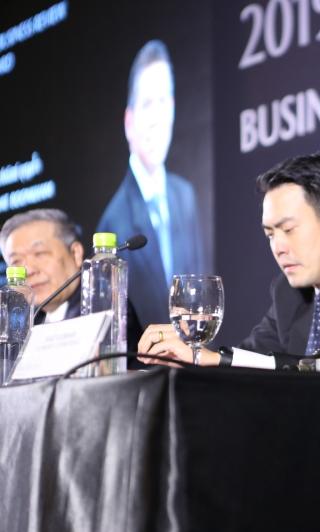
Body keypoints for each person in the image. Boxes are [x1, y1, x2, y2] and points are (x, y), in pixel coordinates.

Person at [139, 154, 320, 370]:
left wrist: (218, 359)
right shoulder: (288, 291)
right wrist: (194, 360)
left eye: (288, 229)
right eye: (270, 234)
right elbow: (251, 360)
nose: (277, 247)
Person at [97, 39, 208, 329]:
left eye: (164, 102)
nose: (158, 119)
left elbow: (201, 296)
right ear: (129, 122)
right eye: (148, 104)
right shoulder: (113, 223)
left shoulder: (185, 196)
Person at [0, 208, 143, 352]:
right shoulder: (20, 328)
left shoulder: (105, 306)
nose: (29, 270)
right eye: (16, 261)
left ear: (76, 253)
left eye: (39, 253)